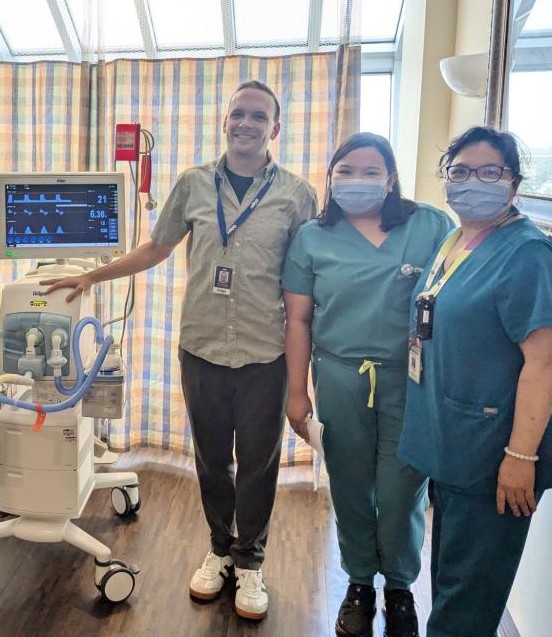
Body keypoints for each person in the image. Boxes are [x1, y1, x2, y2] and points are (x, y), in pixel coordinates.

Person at [43, 81, 317, 619]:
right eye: (238, 113)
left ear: (275, 129)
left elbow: (310, 275)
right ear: (225, 122)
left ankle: (252, 563)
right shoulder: (193, 184)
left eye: (258, 117)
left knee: (259, 465)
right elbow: (157, 246)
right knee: (212, 461)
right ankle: (219, 550)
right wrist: (96, 274)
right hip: (202, 350)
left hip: (266, 354)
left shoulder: (296, 194)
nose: (246, 124)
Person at [282, 133, 452, 637]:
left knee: (403, 492)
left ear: (392, 177)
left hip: (412, 380)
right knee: (352, 487)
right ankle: (360, 582)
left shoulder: (429, 225)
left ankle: (399, 587)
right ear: (330, 179)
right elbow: (297, 321)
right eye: (345, 170)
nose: (357, 180)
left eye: (370, 170)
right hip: (337, 375)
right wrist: (297, 392)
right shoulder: (313, 236)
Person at [397, 127, 552, 637]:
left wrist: (521, 457)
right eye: (460, 171)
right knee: (451, 579)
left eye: (490, 172)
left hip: (494, 454)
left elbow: (545, 363)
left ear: (514, 181)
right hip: (457, 443)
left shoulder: (527, 252)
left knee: (468, 598)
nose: (473, 182)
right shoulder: (457, 237)